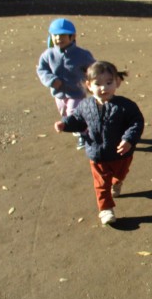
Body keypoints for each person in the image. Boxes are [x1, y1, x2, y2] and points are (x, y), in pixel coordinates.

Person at [54, 61, 145, 225]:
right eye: (98, 84)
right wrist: (65, 124)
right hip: (97, 154)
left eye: (109, 83)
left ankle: (117, 182)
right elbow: (78, 120)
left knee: (120, 174)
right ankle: (106, 209)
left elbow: (136, 122)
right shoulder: (85, 105)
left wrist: (128, 139)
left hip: (121, 153)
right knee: (101, 184)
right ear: (89, 85)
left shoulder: (126, 106)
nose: (104, 88)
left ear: (117, 82)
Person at [37, 18, 95, 150]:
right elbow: (41, 70)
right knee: (64, 112)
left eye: (63, 35)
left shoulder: (82, 54)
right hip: (58, 93)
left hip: (77, 92)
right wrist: (51, 80)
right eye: (55, 35)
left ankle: (84, 134)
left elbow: (94, 67)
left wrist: (94, 81)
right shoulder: (48, 54)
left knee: (73, 113)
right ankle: (75, 126)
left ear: (72, 37)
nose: (59, 38)